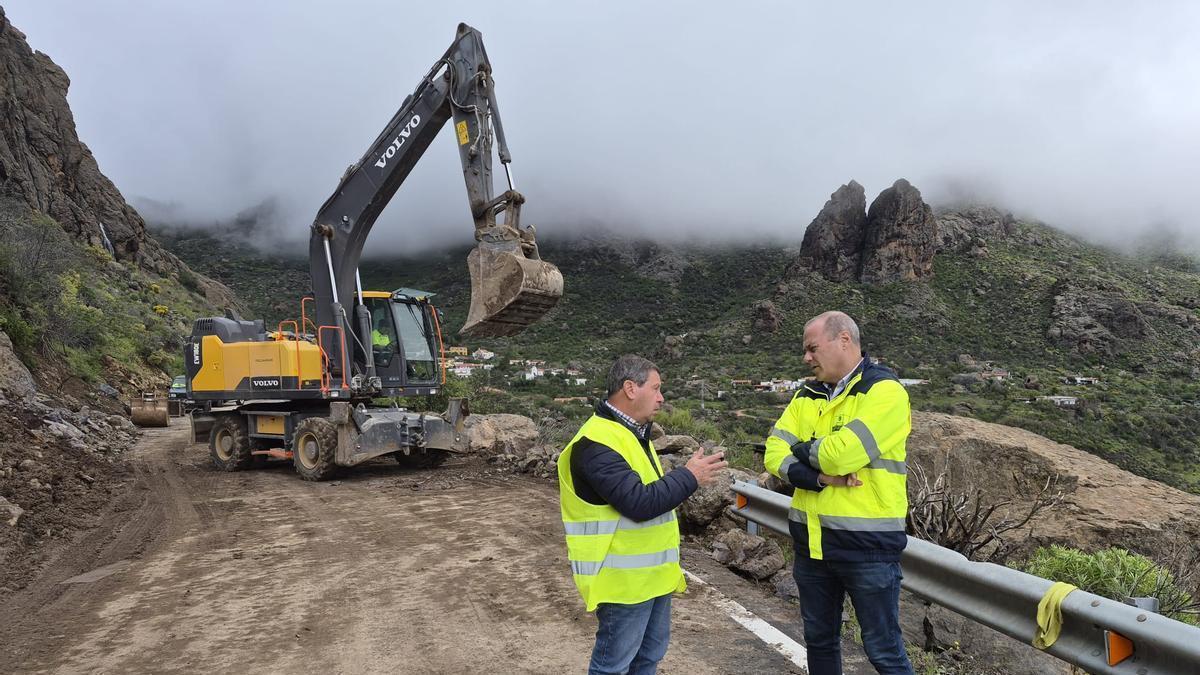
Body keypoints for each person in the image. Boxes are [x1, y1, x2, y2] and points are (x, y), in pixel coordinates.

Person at [764, 311, 913, 675]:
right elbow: (772, 453)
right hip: (812, 546)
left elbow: (840, 456)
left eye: (812, 348)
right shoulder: (807, 395)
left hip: (867, 548)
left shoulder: (885, 391)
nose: (806, 358)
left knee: (884, 651)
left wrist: (802, 449)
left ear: (844, 339)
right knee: (819, 641)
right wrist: (817, 477)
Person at [558, 354, 727, 675]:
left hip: (652, 578)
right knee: (613, 667)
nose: (661, 398)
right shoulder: (596, 443)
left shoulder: (633, 434)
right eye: (656, 388)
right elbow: (638, 503)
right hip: (622, 584)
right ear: (630, 388)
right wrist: (690, 476)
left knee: (648, 659)